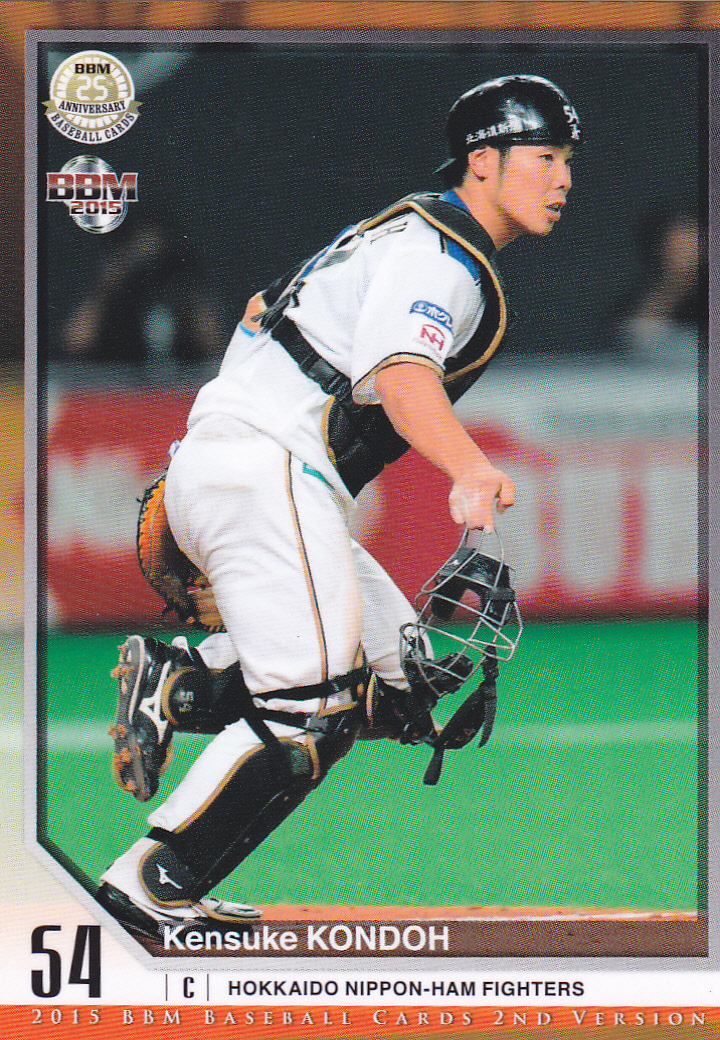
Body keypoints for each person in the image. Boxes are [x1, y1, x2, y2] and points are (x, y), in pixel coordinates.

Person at [96, 74, 581, 943]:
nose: (564, 177)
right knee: (309, 713)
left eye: (566, 160)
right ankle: (152, 885)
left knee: (404, 690)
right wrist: (468, 467)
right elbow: (401, 374)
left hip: (244, 465)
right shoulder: (443, 254)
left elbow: (258, 313)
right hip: (269, 472)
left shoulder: (392, 233)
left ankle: (188, 680)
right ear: (483, 161)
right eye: (544, 156)